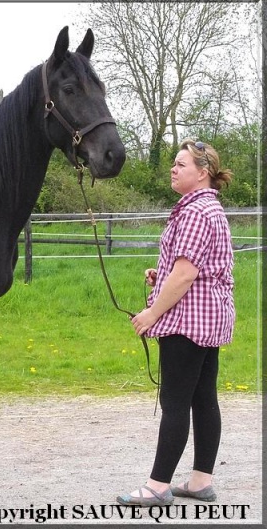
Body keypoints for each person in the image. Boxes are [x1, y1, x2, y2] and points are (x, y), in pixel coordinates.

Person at [116, 139, 235, 506]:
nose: (173, 168)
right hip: (207, 316)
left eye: (181, 164)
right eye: (174, 163)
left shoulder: (197, 212)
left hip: (188, 320)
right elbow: (188, 269)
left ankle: (158, 486)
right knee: (203, 399)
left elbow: (185, 274)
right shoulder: (207, 208)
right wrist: (161, 274)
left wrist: (152, 313)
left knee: (175, 401)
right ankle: (200, 482)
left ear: (202, 173)